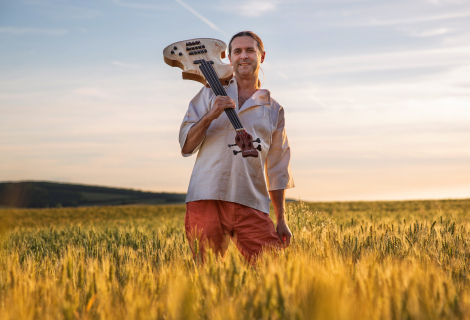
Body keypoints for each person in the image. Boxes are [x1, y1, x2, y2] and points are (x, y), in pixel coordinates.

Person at [179, 31, 294, 264]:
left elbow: (277, 169)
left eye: (250, 50)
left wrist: (281, 219)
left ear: (262, 56)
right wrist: (210, 116)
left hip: (250, 201)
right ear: (229, 58)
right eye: (237, 51)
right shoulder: (209, 93)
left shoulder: (274, 109)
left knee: (273, 271)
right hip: (206, 196)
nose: (244, 56)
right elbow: (186, 145)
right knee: (206, 278)